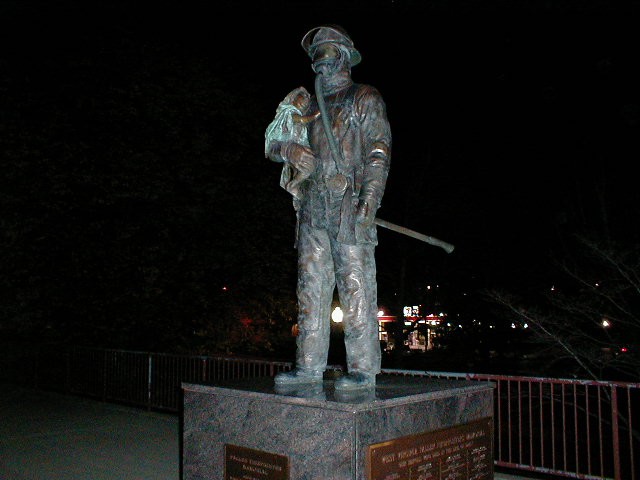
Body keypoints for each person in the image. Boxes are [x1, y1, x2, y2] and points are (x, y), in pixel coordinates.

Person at [266, 25, 391, 390]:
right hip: (312, 207)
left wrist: (369, 200)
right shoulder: (305, 105)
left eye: (327, 52)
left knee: (355, 286)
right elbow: (274, 142)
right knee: (311, 286)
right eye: (316, 56)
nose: (320, 62)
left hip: (348, 205)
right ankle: (308, 366)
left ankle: (363, 370)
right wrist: (290, 150)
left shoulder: (364, 98)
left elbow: (378, 153)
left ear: (343, 56)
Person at [264, 86, 320, 201]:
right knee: (305, 159)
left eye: (306, 99)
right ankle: (292, 185)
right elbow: (300, 119)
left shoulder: (300, 119)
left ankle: (294, 185)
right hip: (282, 147)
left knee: (309, 166)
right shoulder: (289, 111)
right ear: (294, 100)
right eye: (302, 97)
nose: (305, 100)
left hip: (295, 148)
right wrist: (316, 115)